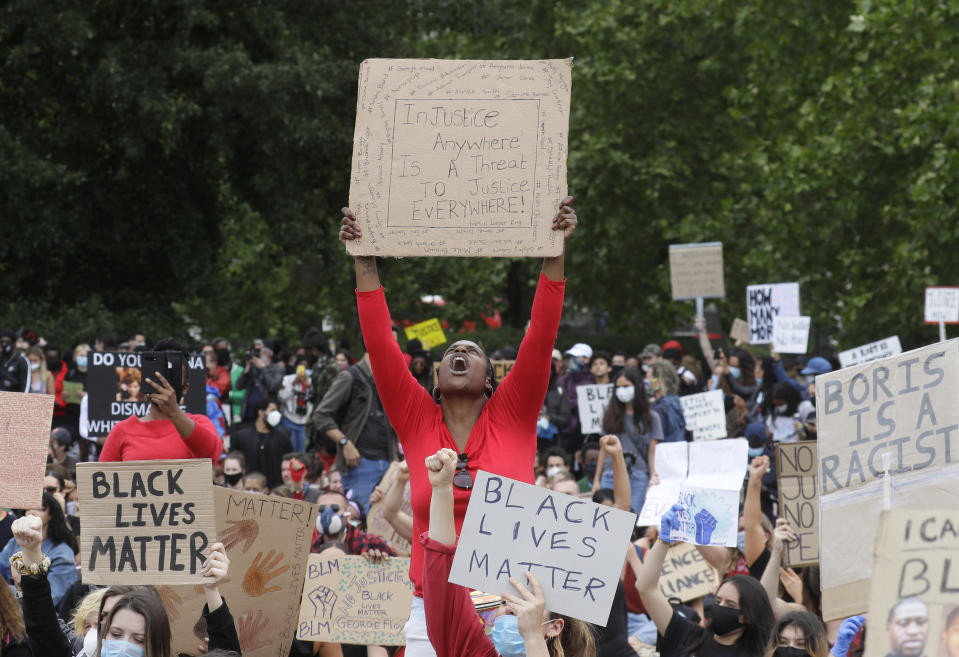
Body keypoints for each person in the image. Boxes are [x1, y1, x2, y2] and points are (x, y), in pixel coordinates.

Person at [339, 196, 577, 657]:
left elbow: (541, 332)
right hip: (430, 613)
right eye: (450, 351)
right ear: (436, 377)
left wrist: (555, 251)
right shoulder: (414, 418)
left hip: (511, 613)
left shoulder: (515, 412)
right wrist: (363, 258)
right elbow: (379, 340)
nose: (458, 351)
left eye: (470, 349)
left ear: (491, 377)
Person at [421, 447, 595, 657]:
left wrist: (531, 635)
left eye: (526, 601)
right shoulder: (474, 652)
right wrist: (441, 489)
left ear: (555, 627)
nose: (511, 608)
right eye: (505, 602)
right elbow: (441, 575)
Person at [637, 505, 775, 657]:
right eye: (717, 601)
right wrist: (663, 540)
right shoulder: (690, 638)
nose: (720, 607)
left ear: (747, 616)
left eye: (730, 604)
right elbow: (646, 588)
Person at [99, 338, 221, 463]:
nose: (164, 384)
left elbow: (211, 455)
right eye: (158, 376)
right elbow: (101, 478)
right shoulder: (122, 430)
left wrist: (174, 413)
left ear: (184, 388)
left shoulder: (198, 423)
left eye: (172, 377)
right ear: (146, 381)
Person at [313, 348, 399, 513]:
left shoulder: (387, 378)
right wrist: (345, 443)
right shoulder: (349, 377)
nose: (394, 346)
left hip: (388, 463)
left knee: (383, 523)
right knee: (357, 519)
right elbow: (321, 415)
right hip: (359, 464)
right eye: (390, 341)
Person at [595, 366, 660, 512]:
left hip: (638, 475)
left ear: (637, 387)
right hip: (610, 474)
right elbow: (603, 450)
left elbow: (652, 451)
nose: (622, 390)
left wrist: (652, 476)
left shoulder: (652, 417)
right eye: (618, 387)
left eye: (626, 386)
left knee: (631, 521)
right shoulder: (610, 415)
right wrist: (596, 480)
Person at [0, 492, 78, 606]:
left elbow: (52, 597)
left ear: (51, 515)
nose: (32, 512)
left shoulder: (62, 554)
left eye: (39, 509)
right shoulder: (14, 543)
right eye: (28, 509)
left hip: (41, 614)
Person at [231, 398, 293, 490]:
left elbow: (289, 459)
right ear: (260, 412)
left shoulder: (282, 436)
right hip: (250, 489)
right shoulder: (242, 436)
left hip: (276, 490)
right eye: (272, 410)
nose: (276, 414)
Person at [647, 360, 687, 484]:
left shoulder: (659, 409)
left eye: (648, 377)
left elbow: (654, 442)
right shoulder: (677, 402)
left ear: (658, 381)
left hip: (663, 465)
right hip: (679, 460)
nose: (646, 381)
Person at [235, 343, 285, 422]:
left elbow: (273, 387)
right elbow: (238, 385)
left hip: (266, 416)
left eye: (259, 350)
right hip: (248, 415)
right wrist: (248, 366)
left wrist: (263, 368)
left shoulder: (278, 369)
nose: (257, 353)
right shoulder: (253, 368)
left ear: (268, 353)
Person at [278, 357, 315, 452]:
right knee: (290, 450)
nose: (303, 370)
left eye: (306, 368)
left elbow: (314, 399)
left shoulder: (311, 381)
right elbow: (282, 398)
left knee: (301, 452)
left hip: (303, 421)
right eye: (301, 367)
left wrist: (309, 386)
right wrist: (293, 384)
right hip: (289, 419)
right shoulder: (287, 379)